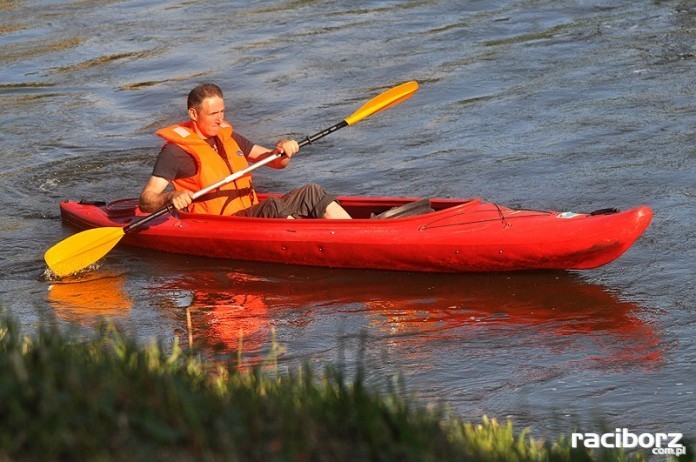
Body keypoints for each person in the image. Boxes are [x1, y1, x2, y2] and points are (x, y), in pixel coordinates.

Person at [139, 83, 351, 219]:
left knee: (311, 192)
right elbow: (146, 201)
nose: (220, 119)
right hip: (222, 223)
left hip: (249, 213)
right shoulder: (175, 152)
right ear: (194, 114)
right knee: (273, 206)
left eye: (222, 111)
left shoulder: (228, 136)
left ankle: (351, 233)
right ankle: (312, 239)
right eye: (213, 113)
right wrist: (171, 197)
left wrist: (283, 149)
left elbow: (275, 162)